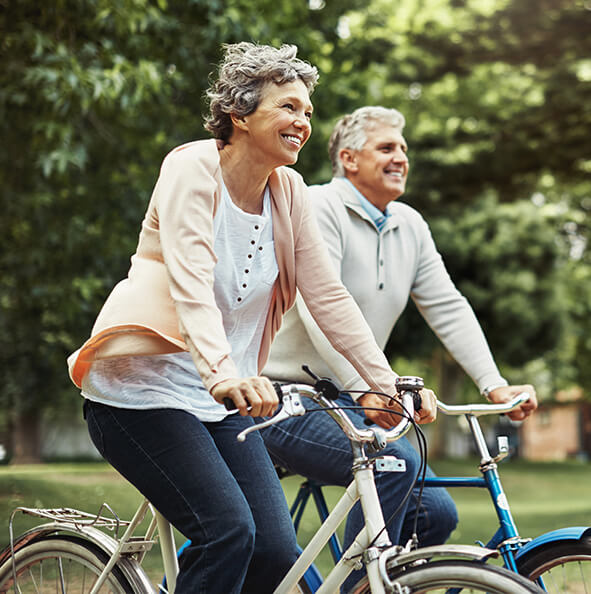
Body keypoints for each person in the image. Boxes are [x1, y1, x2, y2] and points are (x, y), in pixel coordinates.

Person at [66, 48, 437, 594]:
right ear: (240, 115)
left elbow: (328, 296)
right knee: (227, 532)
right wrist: (221, 372)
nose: (303, 123)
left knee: (276, 552)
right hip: (141, 393)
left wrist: (386, 385)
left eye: (308, 112)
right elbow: (190, 278)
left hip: (224, 402)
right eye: (289, 107)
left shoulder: (289, 194)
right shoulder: (191, 167)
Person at [261, 105, 538, 591]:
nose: (401, 158)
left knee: (435, 511)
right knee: (396, 464)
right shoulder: (318, 206)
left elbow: (448, 307)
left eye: (403, 149)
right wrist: (365, 386)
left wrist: (493, 385)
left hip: (351, 398)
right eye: (387, 148)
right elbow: (319, 306)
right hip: (283, 397)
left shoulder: (408, 224)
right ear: (348, 158)